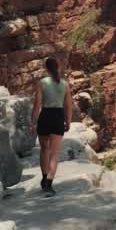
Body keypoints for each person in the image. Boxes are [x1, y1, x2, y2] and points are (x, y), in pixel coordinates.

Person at [32, 56, 71, 195]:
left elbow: (37, 104)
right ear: (58, 67)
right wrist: (68, 121)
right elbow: (68, 106)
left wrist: (33, 121)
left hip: (45, 116)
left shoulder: (42, 83)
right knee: (54, 153)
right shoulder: (65, 84)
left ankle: (44, 178)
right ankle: (49, 184)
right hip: (58, 117)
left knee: (44, 150)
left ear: (46, 68)